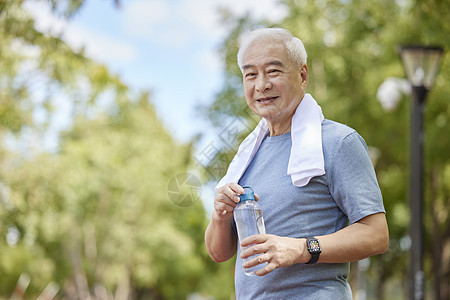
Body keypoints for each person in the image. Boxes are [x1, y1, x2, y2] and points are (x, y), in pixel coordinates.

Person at [204, 27, 389, 299]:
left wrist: (301, 249)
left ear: (302, 76)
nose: (261, 85)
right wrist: (220, 216)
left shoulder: (338, 142)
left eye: (274, 71)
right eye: (250, 74)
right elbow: (220, 253)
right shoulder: (246, 156)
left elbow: (377, 235)